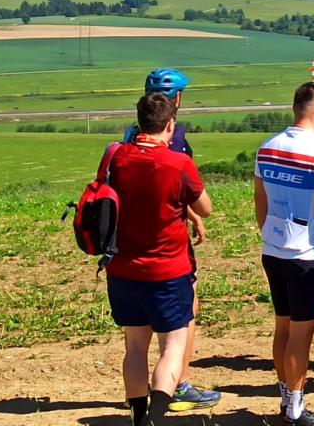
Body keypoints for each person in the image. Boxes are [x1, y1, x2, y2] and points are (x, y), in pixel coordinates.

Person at [104, 92, 212, 426]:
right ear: (170, 125)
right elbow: (205, 207)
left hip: (123, 270)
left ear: (140, 123)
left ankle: (139, 418)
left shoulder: (115, 156)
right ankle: (156, 417)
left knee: (135, 348)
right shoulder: (178, 163)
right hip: (167, 271)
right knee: (172, 347)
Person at [254, 82, 314, 426]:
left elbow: (260, 198)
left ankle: (285, 397)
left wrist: (267, 231)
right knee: (301, 335)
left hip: (273, 250)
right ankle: (295, 408)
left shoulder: (267, 147)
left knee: (283, 327)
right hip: (306, 254)